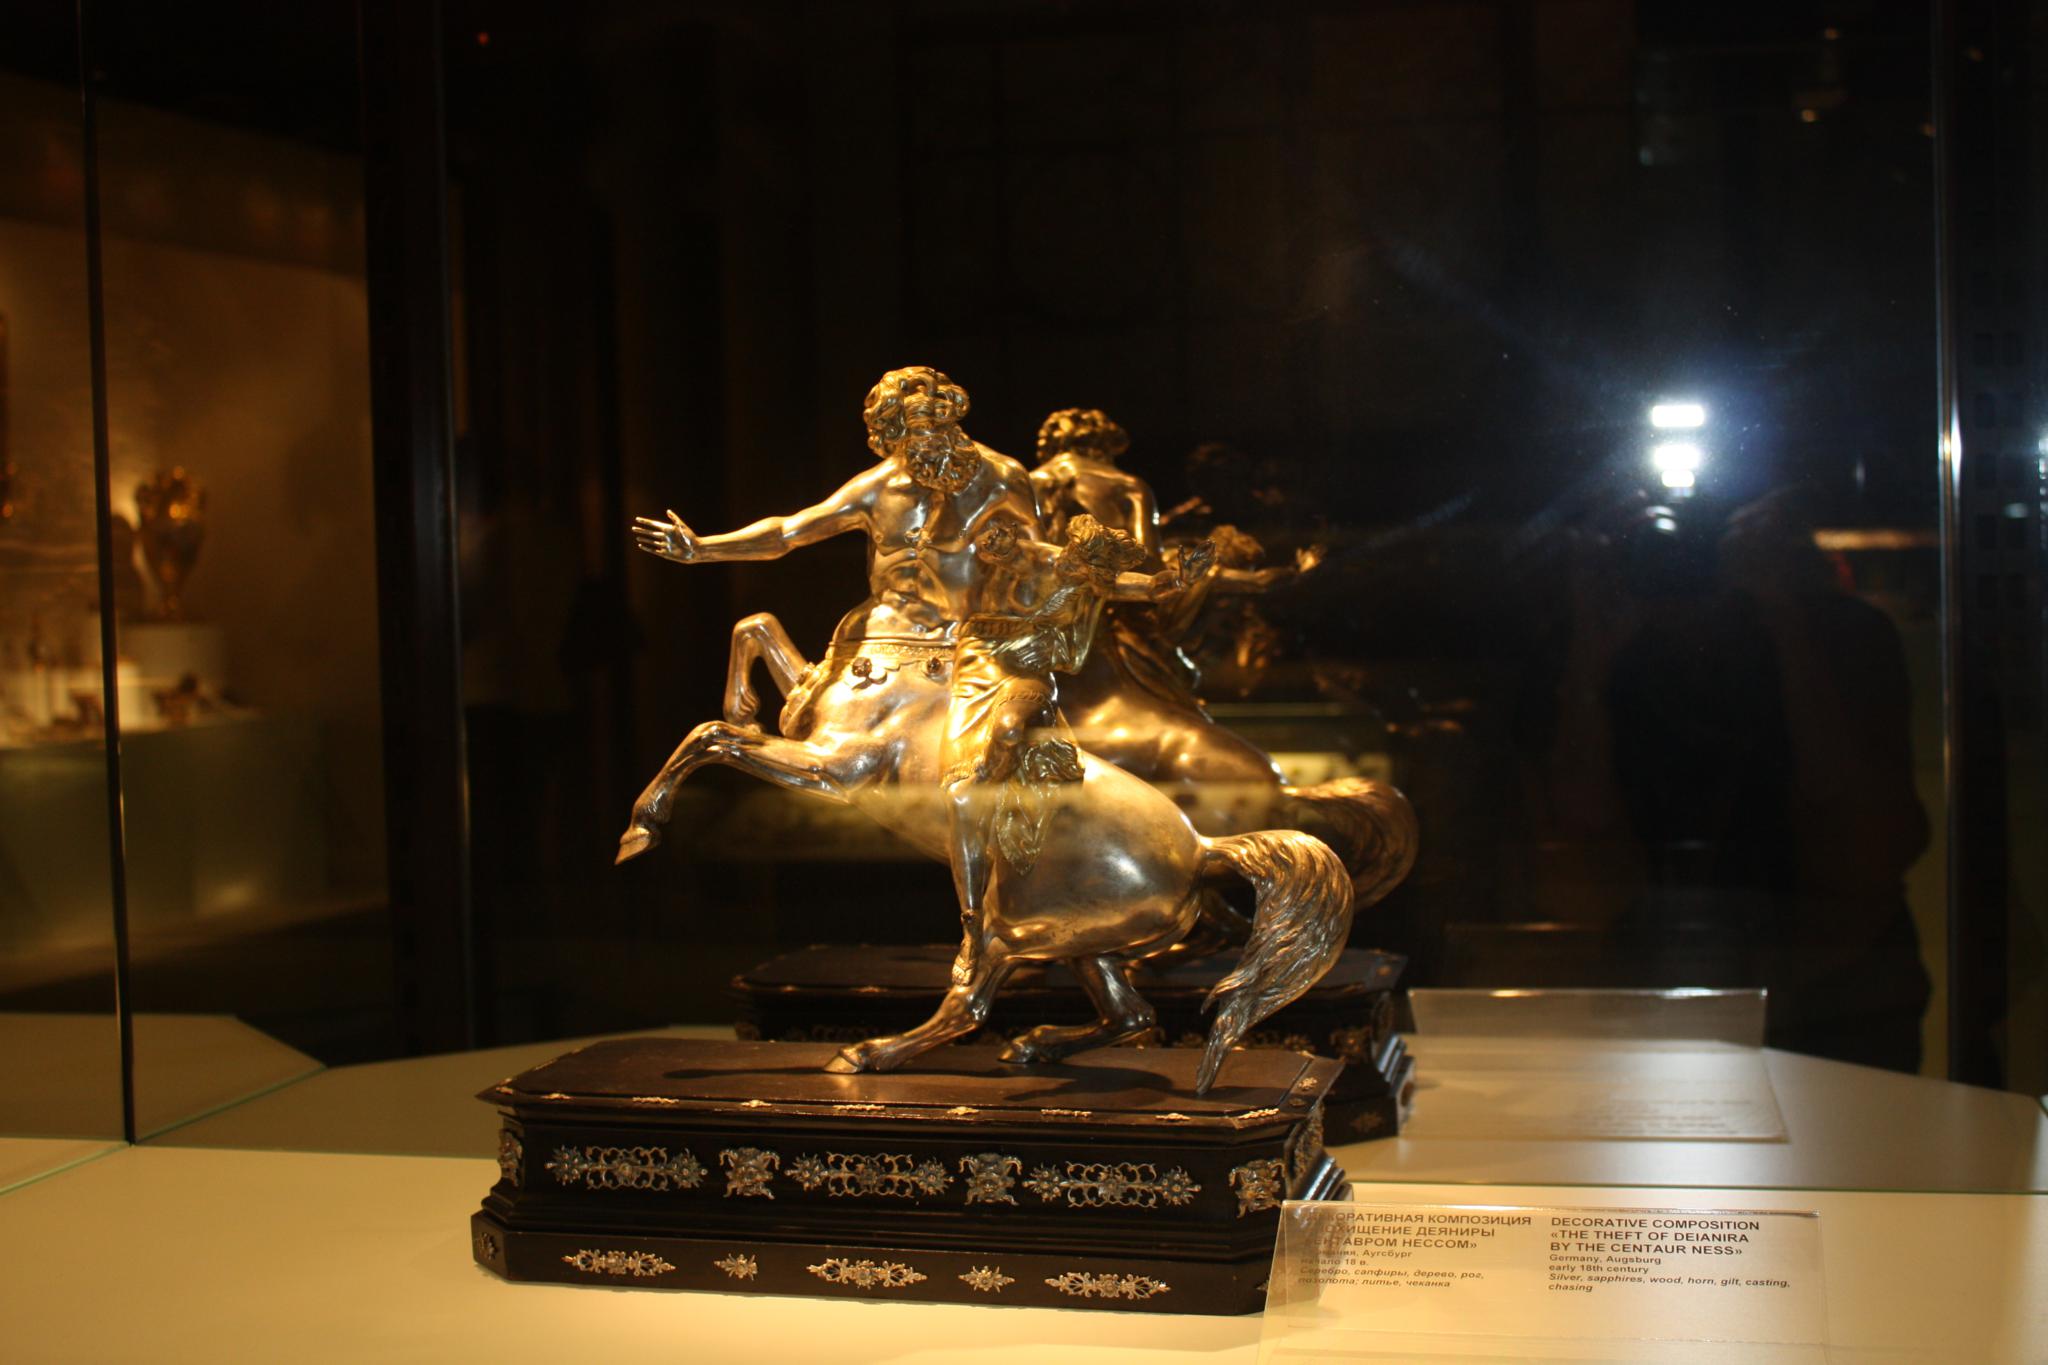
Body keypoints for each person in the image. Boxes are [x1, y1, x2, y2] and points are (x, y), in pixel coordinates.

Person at [632, 365, 1040, 648]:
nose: (921, 447)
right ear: (889, 436)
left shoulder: (1001, 479)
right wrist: (703, 548)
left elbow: (1044, 566)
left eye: (932, 431)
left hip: (965, 646)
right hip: (877, 641)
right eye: (906, 439)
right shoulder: (876, 488)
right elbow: (788, 532)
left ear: (949, 420)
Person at [940, 513, 1206, 918]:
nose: (1071, 567)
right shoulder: (1017, 558)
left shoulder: (1080, 578)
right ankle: (975, 802)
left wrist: (1182, 579)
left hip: (1026, 675)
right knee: (959, 768)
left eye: (1082, 567)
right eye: (1072, 557)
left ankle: (990, 787)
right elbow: (977, 560)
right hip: (976, 669)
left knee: (1009, 731)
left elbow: (1151, 587)